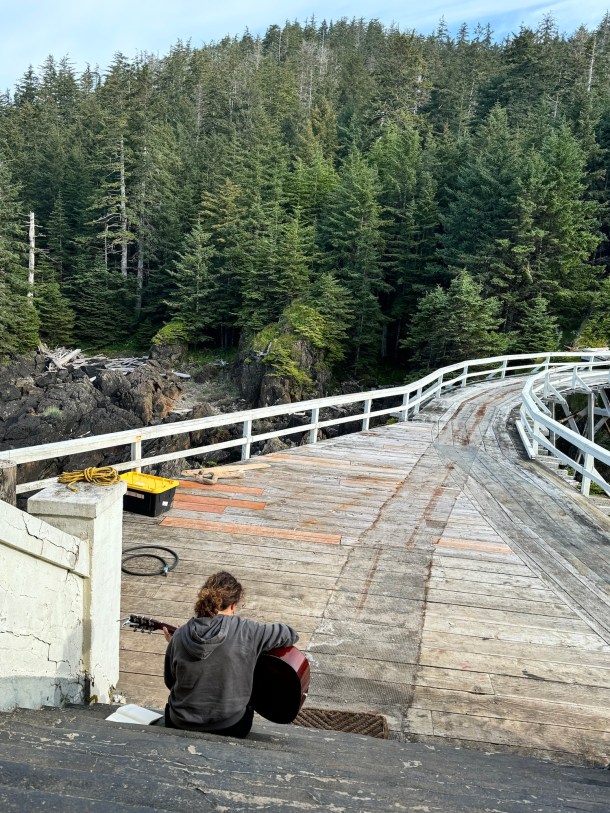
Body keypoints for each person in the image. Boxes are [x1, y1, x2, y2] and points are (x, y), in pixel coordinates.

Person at [162, 570, 298, 738]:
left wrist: (177, 646)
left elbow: (171, 682)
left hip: (179, 723)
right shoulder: (249, 630)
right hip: (230, 726)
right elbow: (290, 634)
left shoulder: (180, 635)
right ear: (233, 605)